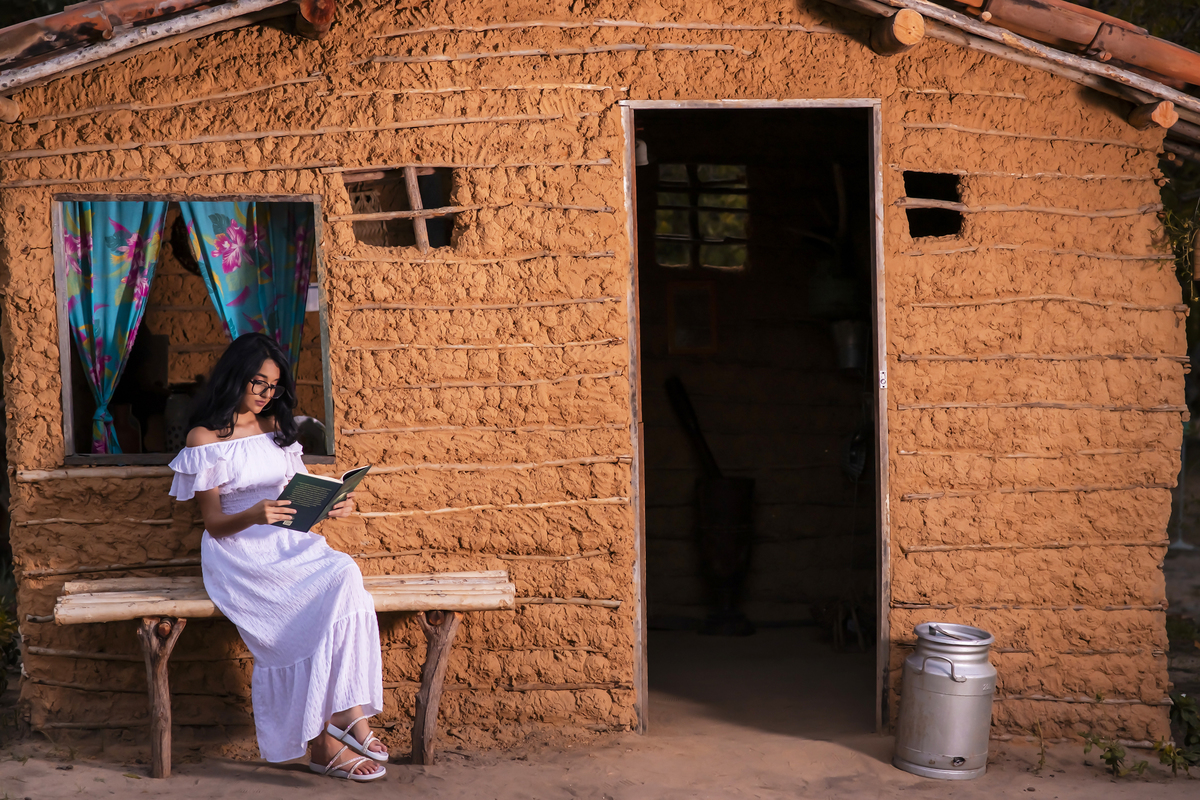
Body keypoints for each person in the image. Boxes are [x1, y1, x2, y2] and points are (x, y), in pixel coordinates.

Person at [167, 332, 387, 781]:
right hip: (239, 552)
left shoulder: (275, 430)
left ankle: (348, 711)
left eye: (275, 387)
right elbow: (212, 523)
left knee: (345, 574)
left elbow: (300, 492)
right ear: (235, 377)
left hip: (287, 543)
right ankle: (321, 742)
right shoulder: (204, 437)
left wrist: (334, 503)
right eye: (259, 383)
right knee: (297, 621)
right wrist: (254, 514)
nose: (268, 395)